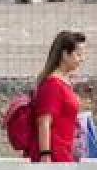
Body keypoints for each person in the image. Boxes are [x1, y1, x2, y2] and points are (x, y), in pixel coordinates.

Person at [30, 31, 86, 163]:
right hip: (55, 156)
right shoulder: (53, 84)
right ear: (65, 54)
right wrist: (45, 155)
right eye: (78, 55)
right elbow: (44, 122)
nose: (82, 59)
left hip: (65, 152)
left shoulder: (64, 82)